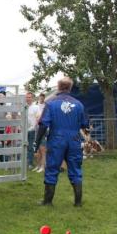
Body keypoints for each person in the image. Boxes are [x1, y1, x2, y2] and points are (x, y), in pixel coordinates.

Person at [34, 77, 89, 206]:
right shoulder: (79, 105)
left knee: (52, 168)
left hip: (57, 139)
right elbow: (85, 124)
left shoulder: (51, 104)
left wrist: (37, 142)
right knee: (75, 169)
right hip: (74, 140)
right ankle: (78, 202)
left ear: (58, 87)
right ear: (70, 88)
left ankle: (47, 201)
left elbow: (43, 124)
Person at [34, 93, 47, 173]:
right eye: (40, 97)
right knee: (37, 149)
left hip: (43, 128)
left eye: (42, 97)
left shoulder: (46, 106)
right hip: (36, 128)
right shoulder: (36, 105)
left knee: (42, 148)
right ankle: (38, 165)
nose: (41, 98)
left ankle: (43, 166)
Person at [26, 92, 39, 169]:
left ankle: (30, 163)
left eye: (29, 97)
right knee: (24, 146)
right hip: (23, 130)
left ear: (32, 98)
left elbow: (38, 117)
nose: (28, 98)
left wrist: (34, 126)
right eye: (27, 97)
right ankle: (24, 162)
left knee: (30, 147)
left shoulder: (36, 107)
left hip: (32, 130)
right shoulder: (23, 106)